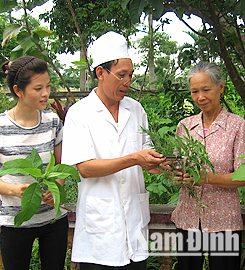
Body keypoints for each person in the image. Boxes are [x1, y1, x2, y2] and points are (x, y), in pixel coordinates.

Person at [61, 31, 166, 269]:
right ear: (100, 72)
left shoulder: (136, 109)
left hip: (134, 228)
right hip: (99, 235)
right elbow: (85, 168)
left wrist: (160, 163)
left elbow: (145, 155)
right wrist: (134, 158)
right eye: (121, 75)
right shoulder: (79, 113)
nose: (128, 82)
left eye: (130, 75)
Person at [0, 55, 68, 270]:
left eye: (47, 86)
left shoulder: (53, 122)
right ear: (18, 91)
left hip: (53, 220)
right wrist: (15, 190)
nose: (46, 93)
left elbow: (61, 166)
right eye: (38, 88)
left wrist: (56, 188)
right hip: (15, 221)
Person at [170, 61, 245, 270]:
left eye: (206, 90)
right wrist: (177, 177)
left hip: (224, 221)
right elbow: (175, 169)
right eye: (195, 91)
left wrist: (204, 177)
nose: (200, 97)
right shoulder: (185, 126)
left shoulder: (237, 126)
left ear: (221, 87)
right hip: (188, 218)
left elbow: (244, 177)